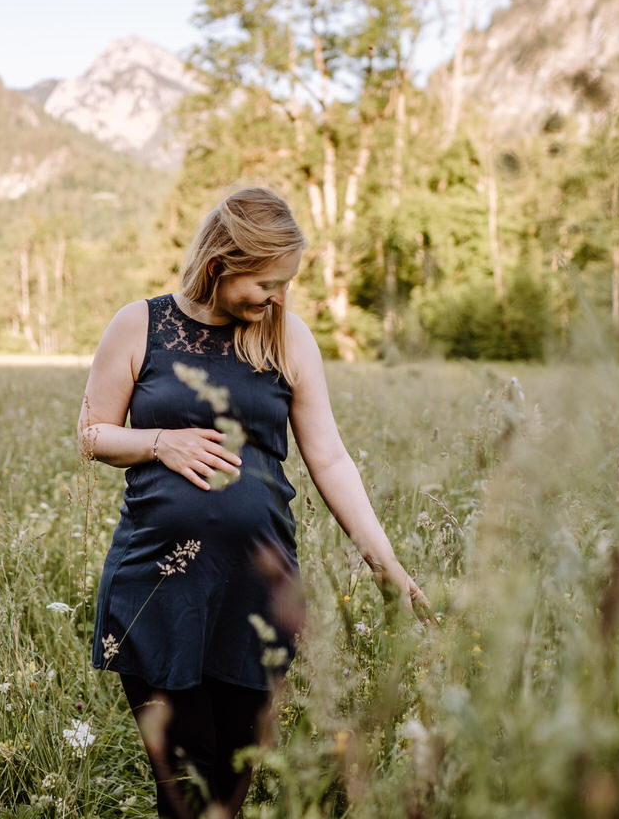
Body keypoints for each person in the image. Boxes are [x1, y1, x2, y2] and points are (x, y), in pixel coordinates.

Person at [78, 186, 429, 818]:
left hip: (258, 597)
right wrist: (161, 442)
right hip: (161, 588)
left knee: (232, 790)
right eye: (265, 283)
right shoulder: (141, 324)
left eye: (285, 285)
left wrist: (386, 563)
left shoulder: (286, 338)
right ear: (218, 266)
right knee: (186, 788)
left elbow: (330, 457)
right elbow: (93, 433)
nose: (277, 298)